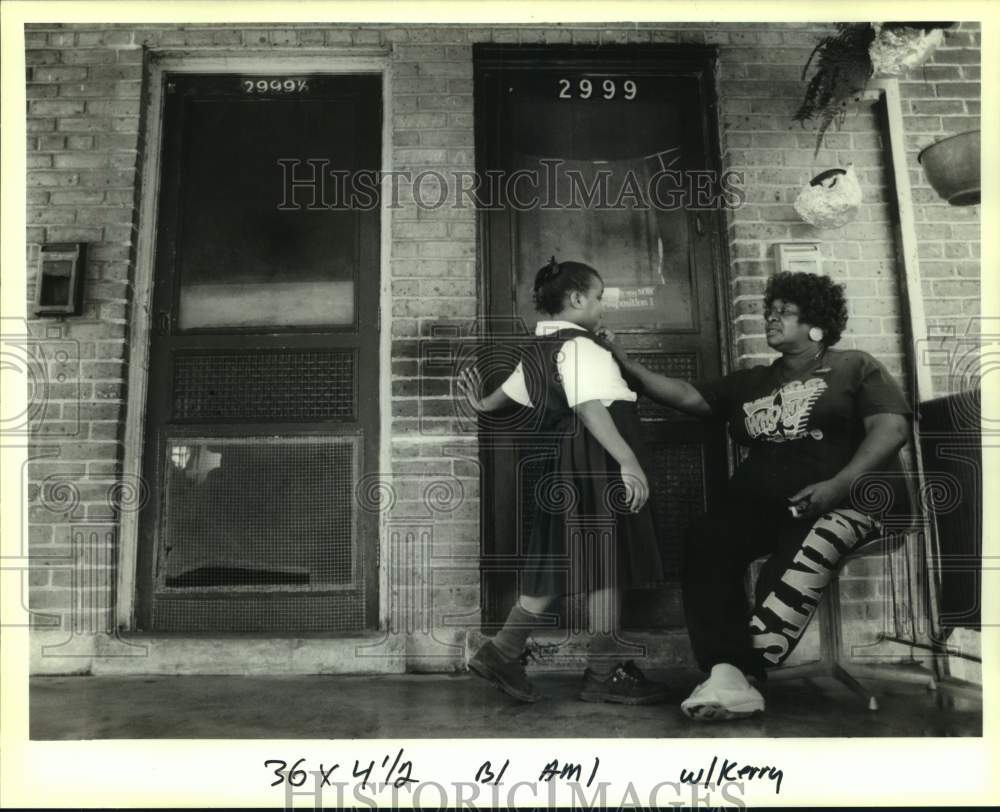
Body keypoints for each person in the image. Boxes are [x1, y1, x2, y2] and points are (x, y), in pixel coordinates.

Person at [602, 271, 911, 720]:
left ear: (816, 325)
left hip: (844, 501)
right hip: (769, 506)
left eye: (785, 312)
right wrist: (626, 363)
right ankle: (726, 672)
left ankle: (746, 673)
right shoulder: (754, 382)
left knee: (795, 554)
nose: (771, 317)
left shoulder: (854, 367)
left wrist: (837, 485)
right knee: (707, 537)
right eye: (771, 310)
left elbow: (892, 428)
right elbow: (688, 395)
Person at [458, 257, 668, 705]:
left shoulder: (536, 353)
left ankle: (505, 650)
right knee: (605, 564)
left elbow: (502, 399)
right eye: (597, 299)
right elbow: (591, 407)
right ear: (576, 299)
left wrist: (480, 403)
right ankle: (602, 672)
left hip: (563, 465)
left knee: (562, 557)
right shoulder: (581, 349)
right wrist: (628, 461)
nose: (600, 308)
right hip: (599, 459)